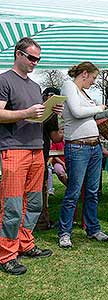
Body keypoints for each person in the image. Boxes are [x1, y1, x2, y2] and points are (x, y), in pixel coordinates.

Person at [0, 37, 61, 275]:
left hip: (37, 149)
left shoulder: (35, 87)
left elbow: (35, 119)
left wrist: (49, 111)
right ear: (18, 54)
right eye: (32, 57)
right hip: (13, 149)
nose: (36, 62)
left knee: (34, 202)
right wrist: (26, 111)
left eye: (38, 59)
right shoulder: (4, 80)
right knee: (12, 204)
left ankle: (25, 243)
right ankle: (6, 254)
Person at [58, 61, 108, 248]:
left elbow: (90, 115)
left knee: (92, 191)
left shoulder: (85, 93)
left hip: (94, 147)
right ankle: (64, 232)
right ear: (85, 74)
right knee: (73, 192)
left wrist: (107, 112)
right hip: (77, 147)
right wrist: (99, 108)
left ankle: (93, 228)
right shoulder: (68, 86)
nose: (94, 82)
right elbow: (77, 112)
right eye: (94, 78)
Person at [36, 87, 64, 230]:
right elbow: (55, 137)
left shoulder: (34, 107)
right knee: (41, 188)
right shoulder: (50, 113)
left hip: (25, 152)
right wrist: (68, 130)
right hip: (40, 154)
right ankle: (42, 222)